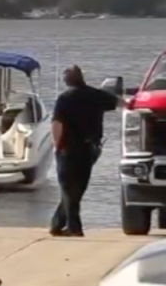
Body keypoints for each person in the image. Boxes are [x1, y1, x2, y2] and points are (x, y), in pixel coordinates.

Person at [49, 65, 123, 237]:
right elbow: (121, 103)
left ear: (67, 81)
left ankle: (75, 228)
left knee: (68, 188)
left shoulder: (64, 99)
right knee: (78, 188)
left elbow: (56, 124)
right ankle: (57, 224)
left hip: (68, 148)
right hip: (90, 148)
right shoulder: (97, 95)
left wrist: (56, 145)